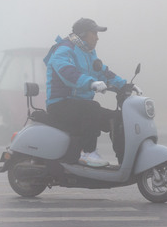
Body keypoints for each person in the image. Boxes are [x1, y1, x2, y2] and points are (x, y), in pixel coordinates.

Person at [43, 18, 140, 167]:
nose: (97, 37)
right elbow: (68, 73)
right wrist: (91, 83)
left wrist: (125, 85)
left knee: (118, 118)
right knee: (92, 108)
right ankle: (88, 153)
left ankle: (125, 161)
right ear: (82, 34)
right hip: (60, 104)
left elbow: (102, 72)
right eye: (94, 33)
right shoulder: (64, 50)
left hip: (80, 105)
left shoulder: (88, 52)